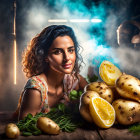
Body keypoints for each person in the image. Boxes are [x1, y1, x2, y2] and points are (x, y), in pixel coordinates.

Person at [13, 25, 88, 121]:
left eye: (70, 50)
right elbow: (24, 126)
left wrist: (75, 104)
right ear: (45, 56)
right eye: (57, 52)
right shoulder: (35, 91)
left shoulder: (75, 81)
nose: (67, 58)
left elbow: (96, 102)